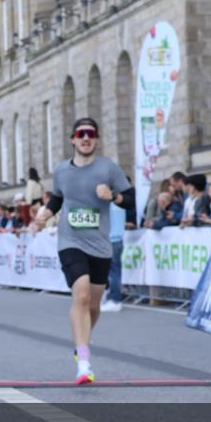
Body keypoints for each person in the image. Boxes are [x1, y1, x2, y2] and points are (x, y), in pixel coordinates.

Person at [32, 117, 134, 384]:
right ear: (73, 139)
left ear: (96, 139)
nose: (85, 138)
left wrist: (114, 196)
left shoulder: (109, 168)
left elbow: (131, 200)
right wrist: (44, 215)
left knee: (94, 305)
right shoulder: (61, 171)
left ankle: (81, 344)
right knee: (81, 293)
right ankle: (84, 362)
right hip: (70, 241)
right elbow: (57, 198)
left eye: (90, 134)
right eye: (80, 134)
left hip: (100, 245)